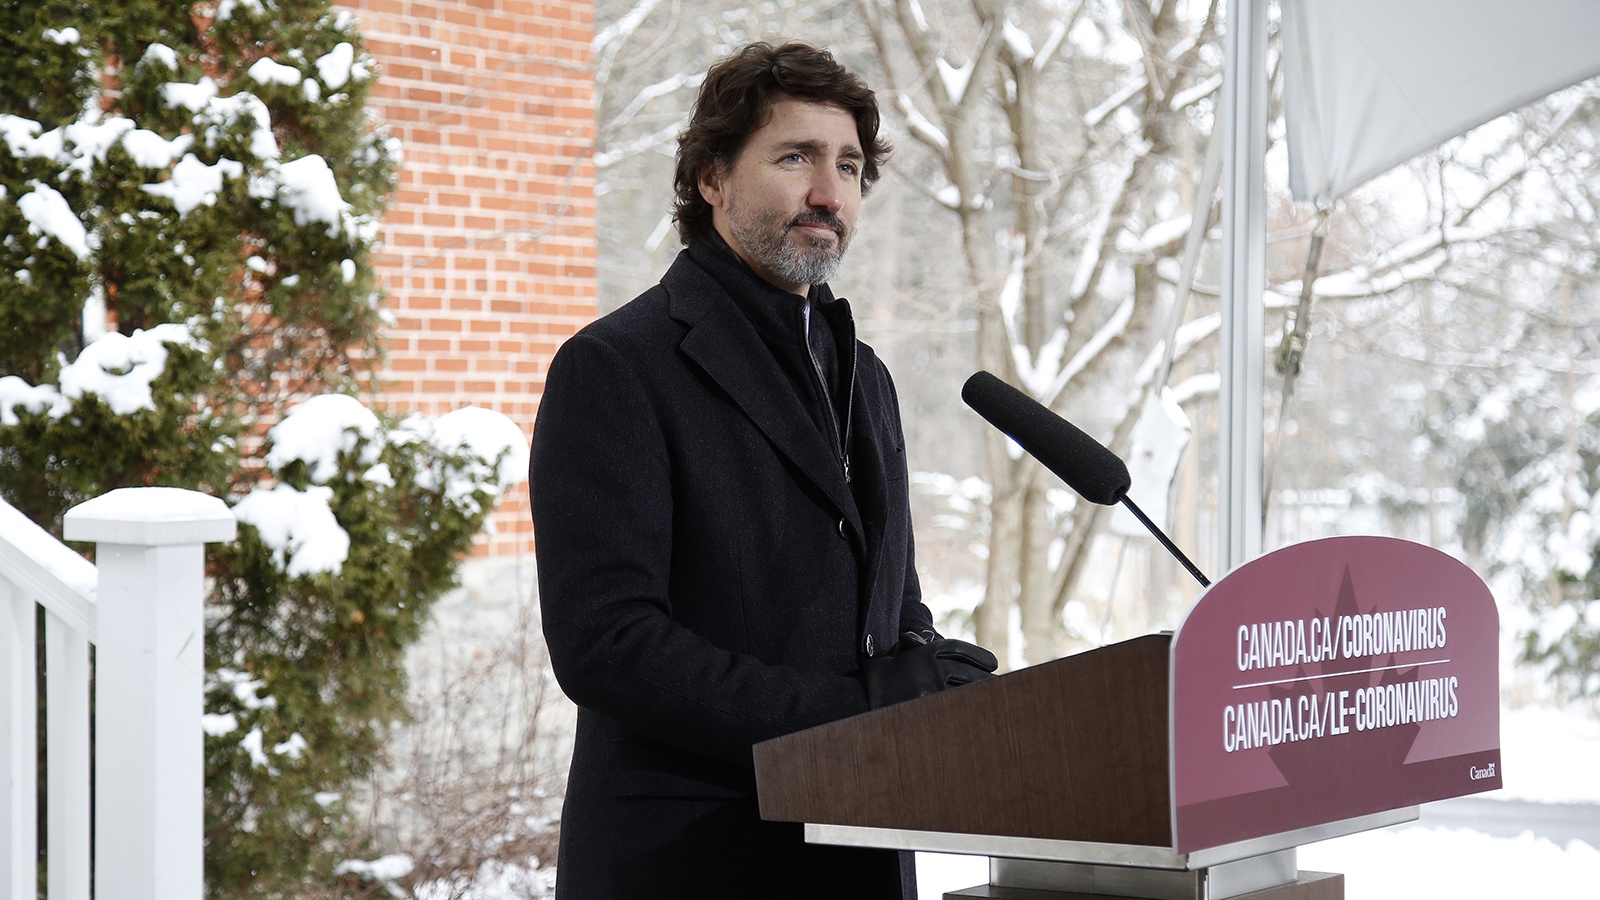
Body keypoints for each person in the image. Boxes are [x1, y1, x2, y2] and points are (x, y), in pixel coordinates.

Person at [529, 41, 998, 900]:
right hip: (689, 860)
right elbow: (608, 645)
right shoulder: (617, 366)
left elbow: (888, 600)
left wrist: (929, 678)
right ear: (712, 178)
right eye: (797, 158)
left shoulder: (867, 375)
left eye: (850, 166)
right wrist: (855, 719)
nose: (830, 192)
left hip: (857, 849)